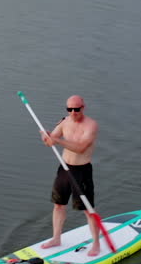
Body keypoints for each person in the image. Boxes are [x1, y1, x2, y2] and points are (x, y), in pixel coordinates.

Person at [39, 95, 100, 254]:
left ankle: (96, 244)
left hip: (82, 171)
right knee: (58, 204)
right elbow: (50, 141)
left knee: (88, 209)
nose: (73, 112)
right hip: (64, 168)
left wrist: (57, 140)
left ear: (83, 108)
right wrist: (46, 136)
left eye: (76, 109)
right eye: (70, 109)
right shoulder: (65, 122)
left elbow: (81, 148)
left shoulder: (91, 125)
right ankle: (56, 238)